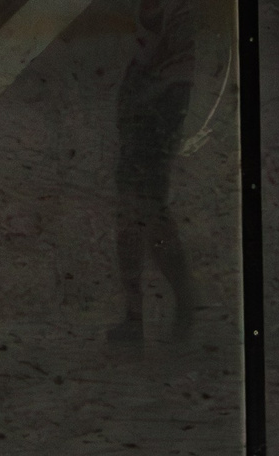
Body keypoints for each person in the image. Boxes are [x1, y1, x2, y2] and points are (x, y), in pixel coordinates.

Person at [110, 0, 200, 346]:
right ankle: (137, 314)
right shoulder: (159, 18)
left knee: (145, 210)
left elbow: (175, 70)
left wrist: (141, 98)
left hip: (155, 115)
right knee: (132, 213)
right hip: (144, 116)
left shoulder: (178, 17)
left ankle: (178, 302)